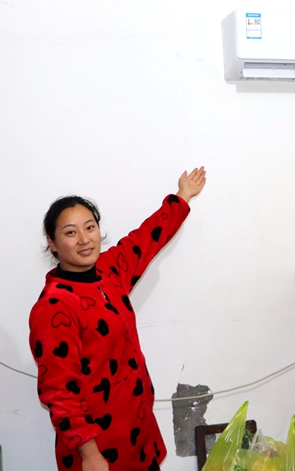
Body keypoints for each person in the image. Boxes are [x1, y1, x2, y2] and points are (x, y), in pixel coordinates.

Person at [29, 167, 206, 471]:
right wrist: (90, 455)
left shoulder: (109, 271)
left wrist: (183, 196)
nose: (84, 239)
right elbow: (59, 393)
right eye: (71, 232)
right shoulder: (54, 306)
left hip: (138, 435)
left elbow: (146, 239)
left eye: (90, 227)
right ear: (52, 243)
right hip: (98, 449)